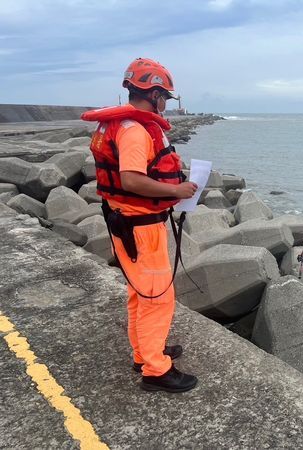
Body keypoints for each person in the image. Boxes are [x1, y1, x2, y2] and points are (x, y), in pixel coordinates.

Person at [81, 58, 199, 393]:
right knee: (158, 296)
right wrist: (176, 190)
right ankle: (156, 370)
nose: (167, 103)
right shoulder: (135, 131)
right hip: (140, 227)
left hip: (127, 222)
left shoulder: (122, 125)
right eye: (165, 96)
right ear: (155, 93)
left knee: (140, 292)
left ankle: (144, 352)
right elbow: (132, 179)